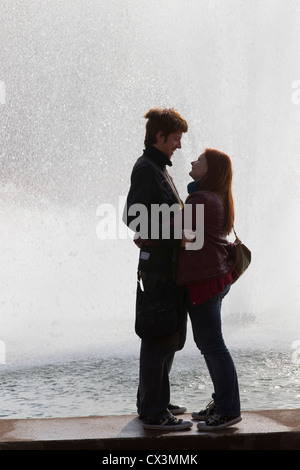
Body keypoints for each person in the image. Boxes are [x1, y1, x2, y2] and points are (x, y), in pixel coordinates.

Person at [123, 108, 193, 431]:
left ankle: (156, 400)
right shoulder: (146, 168)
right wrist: (177, 238)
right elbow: (134, 219)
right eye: (176, 139)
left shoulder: (158, 168)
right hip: (158, 270)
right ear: (160, 136)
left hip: (167, 266)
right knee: (158, 335)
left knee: (168, 335)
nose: (179, 145)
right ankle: (153, 412)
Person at [177, 148, 242, 431]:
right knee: (209, 345)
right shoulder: (213, 197)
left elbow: (183, 235)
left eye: (199, 160)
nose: (193, 161)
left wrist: (147, 234)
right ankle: (222, 401)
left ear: (210, 170)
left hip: (204, 281)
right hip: (214, 278)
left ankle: (228, 411)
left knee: (213, 346)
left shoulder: (201, 198)